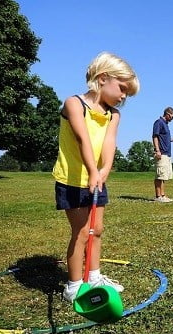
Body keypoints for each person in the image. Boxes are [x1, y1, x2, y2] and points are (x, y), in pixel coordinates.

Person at [52, 52, 140, 302]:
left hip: (97, 179)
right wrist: (92, 170)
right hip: (71, 179)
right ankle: (74, 286)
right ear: (103, 79)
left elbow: (110, 142)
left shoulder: (114, 114)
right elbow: (83, 138)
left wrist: (104, 170)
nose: (123, 97)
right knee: (80, 232)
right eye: (122, 89)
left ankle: (94, 277)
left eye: (127, 94)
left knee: (96, 230)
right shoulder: (74, 104)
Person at [152, 107, 173, 202]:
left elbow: (164, 138)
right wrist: (157, 151)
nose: (172, 119)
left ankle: (163, 195)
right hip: (161, 153)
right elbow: (155, 136)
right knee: (159, 175)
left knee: (163, 176)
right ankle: (158, 197)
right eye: (172, 117)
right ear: (167, 114)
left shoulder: (165, 124)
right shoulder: (159, 122)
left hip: (167, 154)